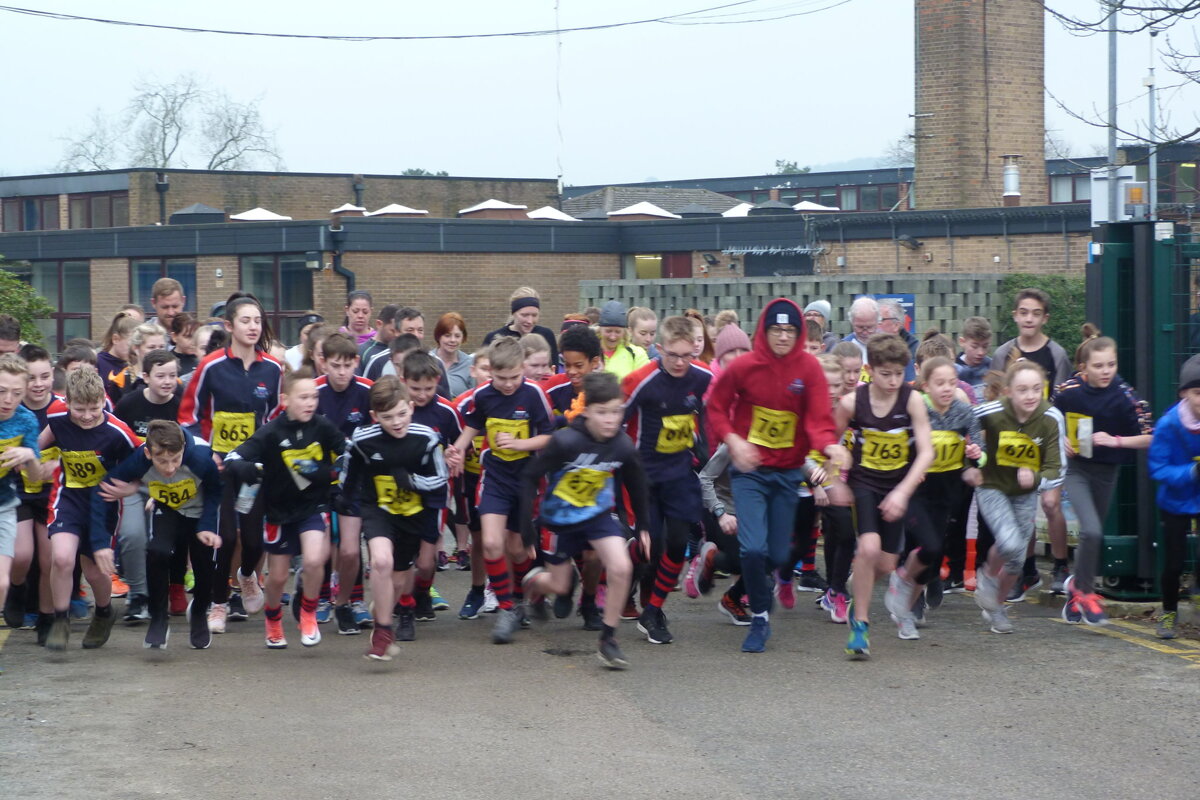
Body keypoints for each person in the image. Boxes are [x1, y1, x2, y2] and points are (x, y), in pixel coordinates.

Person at [707, 297, 847, 653]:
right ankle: (759, 618)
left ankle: (737, 590)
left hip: (787, 474)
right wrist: (734, 439)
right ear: (763, 331)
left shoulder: (809, 370)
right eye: (775, 330)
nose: (783, 337)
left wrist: (830, 446)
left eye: (789, 331)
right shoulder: (745, 367)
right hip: (750, 473)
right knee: (753, 549)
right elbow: (717, 407)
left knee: (779, 555)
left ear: (799, 333)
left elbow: (817, 420)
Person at [520, 372, 651, 669]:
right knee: (559, 585)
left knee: (621, 567)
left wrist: (643, 525)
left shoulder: (621, 445)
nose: (610, 420)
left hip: (596, 515)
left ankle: (608, 640)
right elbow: (529, 476)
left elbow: (637, 480)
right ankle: (535, 584)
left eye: (616, 412)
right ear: (588, 410)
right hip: (559, 522)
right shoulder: (565, 442)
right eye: (602, 412)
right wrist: (526, 526)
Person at [178, 295, 283, 634]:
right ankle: (219, 603)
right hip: (219, 469)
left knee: (253, 541)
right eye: (246, 321)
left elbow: (275, 418)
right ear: (229, 326)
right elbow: (188, 417)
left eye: (257, 321)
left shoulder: (273, 368)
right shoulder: (210, 366)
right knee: (224, 536)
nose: (253, 327)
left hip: (252, 471)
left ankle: (248, 575)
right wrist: (206, 453)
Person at [223, 368, 345, 649]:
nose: (310, 403)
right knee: (277, 577)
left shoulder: (322, 426)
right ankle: (273, 618)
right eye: (303, 397)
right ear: (285, 399)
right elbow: (234, 456)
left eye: (314, 397)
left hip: (314, 505)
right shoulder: (271, 432)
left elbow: (346, 449)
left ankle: (309, 612)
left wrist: (332, 470)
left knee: (315, 560)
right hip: (279, 512)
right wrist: (244, 467)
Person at [448, 337, 554, 644]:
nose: (508, 385)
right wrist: (456, 449)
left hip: (526, 480)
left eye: (514, 378)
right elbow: (470, 426)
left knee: (518, 549)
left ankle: (523, 596)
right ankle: (507, 607)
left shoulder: (534, 394)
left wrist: (521, 444)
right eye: (501, 378)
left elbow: (550, 437)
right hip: (494, 476)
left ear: (523, 369)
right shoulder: (483, 395)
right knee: (492, 543)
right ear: (489, 371)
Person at [836, 334, 934, 657]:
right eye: (885, 374)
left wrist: (903, 492)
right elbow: (829, 439)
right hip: (864, 484)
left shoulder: (912, 400)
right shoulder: (853, 403)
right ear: (870, 370)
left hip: (897, 486)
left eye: (899, 374)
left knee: (888, 563)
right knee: (869, 547)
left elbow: (926, 452)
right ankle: (860, 626)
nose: (893, 381)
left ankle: (858, 583)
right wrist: (836, 473)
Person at [341, 376, 448, 660]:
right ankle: (383, 633)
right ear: (375, 417)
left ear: (411, 408)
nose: (397, 422)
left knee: (398, 581)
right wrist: (342, 496)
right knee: (381, 561)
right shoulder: (363, 439)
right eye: (388, 417)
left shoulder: (426, 437)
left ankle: (384, 608)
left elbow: (441, 478)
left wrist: (412, 481)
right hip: (378, 509)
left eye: (402, 414)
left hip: (413, 513)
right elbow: (348, 472)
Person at [622, 316, 712, 645]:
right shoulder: (641, 380)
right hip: (643, 475)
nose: (679, 363)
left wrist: (705, 445)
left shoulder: (702, 377)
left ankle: (653, 610)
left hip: (678, 473)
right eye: (672, 355)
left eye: (687, 356)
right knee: (651, 548)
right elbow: (616, 422)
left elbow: (711, 411)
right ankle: (618, 577)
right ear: (658, 349)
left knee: (676, 543)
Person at [92, 421, 222, 649]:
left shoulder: (200, 458)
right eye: (162, 461)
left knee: (204, 566)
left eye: (176, 459)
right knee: (157, 552)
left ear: (183, 450)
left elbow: (215, 490)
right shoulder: (138, 460)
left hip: (199, 512)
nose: (170, 467)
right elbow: (103, 489)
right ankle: (159, 617)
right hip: (167, 508)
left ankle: (200, 611)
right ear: (148, 453)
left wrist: (208, 525)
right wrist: (100, 541)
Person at [1055, 325, 1153, 626]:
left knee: (1091, 536)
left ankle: (1075, 589)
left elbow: (1151, 437)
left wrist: (1117, 440)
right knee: (1093, 531)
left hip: (1107, 471)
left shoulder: (1126, 397)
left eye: (1111, 364)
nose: (1106, 371)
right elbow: (1046, 420)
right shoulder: (1068, 392)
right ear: (1084, 367)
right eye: (1098, 366)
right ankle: (1085, 593)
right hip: (1077, 469)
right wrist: (1062, 439)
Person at [40, 368, 141, 652]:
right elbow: (41, 442)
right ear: (67, 401)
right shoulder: (57, 415)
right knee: (61, 558)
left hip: (103, 504)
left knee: (95, 571)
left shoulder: (117, 431)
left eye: (94, 409)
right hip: (68, 497)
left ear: (103, 401)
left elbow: (145, 461)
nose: (86, 415)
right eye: (79, 409)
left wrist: (131, 489)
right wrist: (34, 460)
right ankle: (61, 620)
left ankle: (104, 611)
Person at [991, 288, 1072, 597]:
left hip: (1048, 437)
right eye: (1023, 312)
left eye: (1035, 313)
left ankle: (1061, 566)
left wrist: (1062, 435)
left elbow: (1062, 399)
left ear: (1044, 318)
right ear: (1015, 316)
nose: (1029, 318)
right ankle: (1027, 571)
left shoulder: (1056, 354)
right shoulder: (1003, 353)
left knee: (1051, 503)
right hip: (1016, 440)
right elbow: (997, 399)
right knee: (1022, 507)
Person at [972, 361, 1063, 634]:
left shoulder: (1051, 418)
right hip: (992, 485)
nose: (1031, 396)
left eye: (1037, 389)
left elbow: (1056, 469)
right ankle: (987, 575)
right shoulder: (993, 411)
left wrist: (1035, 477)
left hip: (1024, 492)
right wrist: (974, 457)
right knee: (1009, 541)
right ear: (1009, 392)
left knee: (1016, 558)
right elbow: (964, 421)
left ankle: (997, 608)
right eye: (1022, 390)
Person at [111, 347, 182, 622]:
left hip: (171, 483)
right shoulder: (129, 405)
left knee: (168, 541)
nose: (167, 381)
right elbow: (114, 440)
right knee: (132, 535)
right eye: (161, 375)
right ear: (145, 376)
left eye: (173, 376)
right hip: (133, 483)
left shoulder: (180, 404)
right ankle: (138, 597)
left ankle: (170, 590)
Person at [313, 332, 374, 633]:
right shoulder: (312, 392)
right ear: (323, 363)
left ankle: (345, 603)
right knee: (321, 550)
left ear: (356, 363)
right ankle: (318, 597)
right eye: (335, 365)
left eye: (347, 365)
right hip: (318, 482)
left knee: (350, 550)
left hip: (356, 483)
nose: (341, 372)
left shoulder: (367, 391)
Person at [402, 352, 463, 626]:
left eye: (428, 388)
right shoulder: (398, 408)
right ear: (403, 382)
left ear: (437, 381)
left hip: (435, 495)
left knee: (426, 563)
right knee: (403, 556)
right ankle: (402, 603)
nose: (422, 394)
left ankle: (423, 591)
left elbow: (460, 444)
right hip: (401, 494)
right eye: (415, 389)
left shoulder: (447, 411)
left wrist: (455, 455)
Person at [5, 346, 58, 639]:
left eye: (45, 376)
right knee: (23, 554)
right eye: (32, 378)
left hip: (52, 494)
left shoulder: (63, 408)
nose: (39, 384)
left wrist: (58, 462)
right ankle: (17, 587)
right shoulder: (12, 410)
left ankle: (47, 617)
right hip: (20, 492)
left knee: (49, 558)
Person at [1147, 354, 1200, 639]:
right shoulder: (1169, 424)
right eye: (1198, 393)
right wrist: (1191, 472)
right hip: (1175, 500)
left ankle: (1198, 595)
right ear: (1184, 393)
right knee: (1174, 562)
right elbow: (1158, 468)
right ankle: (1168, 612)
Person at [0, 354, 41, 643]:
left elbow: (37, 477)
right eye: (1, 391)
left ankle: (13, 593)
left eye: (16, 393)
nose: (8, 399)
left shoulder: (26, 420)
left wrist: (28, 456)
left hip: (4, 504)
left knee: (1, 582)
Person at [482, 287, 560, 369]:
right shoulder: (494, 337)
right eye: (524, 315)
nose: (530, 321)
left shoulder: (546, 335)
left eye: (534, 315)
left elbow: (553, 369)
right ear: (513, 314)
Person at [596, 300, 650, 381]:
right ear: (600, 330)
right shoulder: (590, 352)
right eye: (608, 331)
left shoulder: (637, 354)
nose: (613, 337)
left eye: (618, 332)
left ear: (625, 332)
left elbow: (646, 384)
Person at [97, 312, 140, 402]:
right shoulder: (98, 362)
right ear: (115, 339)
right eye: (131, 343)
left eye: (138, 345)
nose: (134, 349)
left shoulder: (137, 364)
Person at [432, 312, 475, 397]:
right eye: (447, 335)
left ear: (463, 337)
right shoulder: (427, 359)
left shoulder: (470, 364)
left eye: (457, 336)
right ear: (438, 336)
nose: (452, 340)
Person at [956, 316, 994, 401]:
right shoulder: (954, 370)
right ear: (962, 342)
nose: (981, 352)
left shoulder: (992, 366)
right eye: (975, 346)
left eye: (985, 346)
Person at [357, 304, 400, 372]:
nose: (397, 335)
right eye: (393, 331)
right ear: (379, 324)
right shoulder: (362, 352)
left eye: (400, 331)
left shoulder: (402, 351)